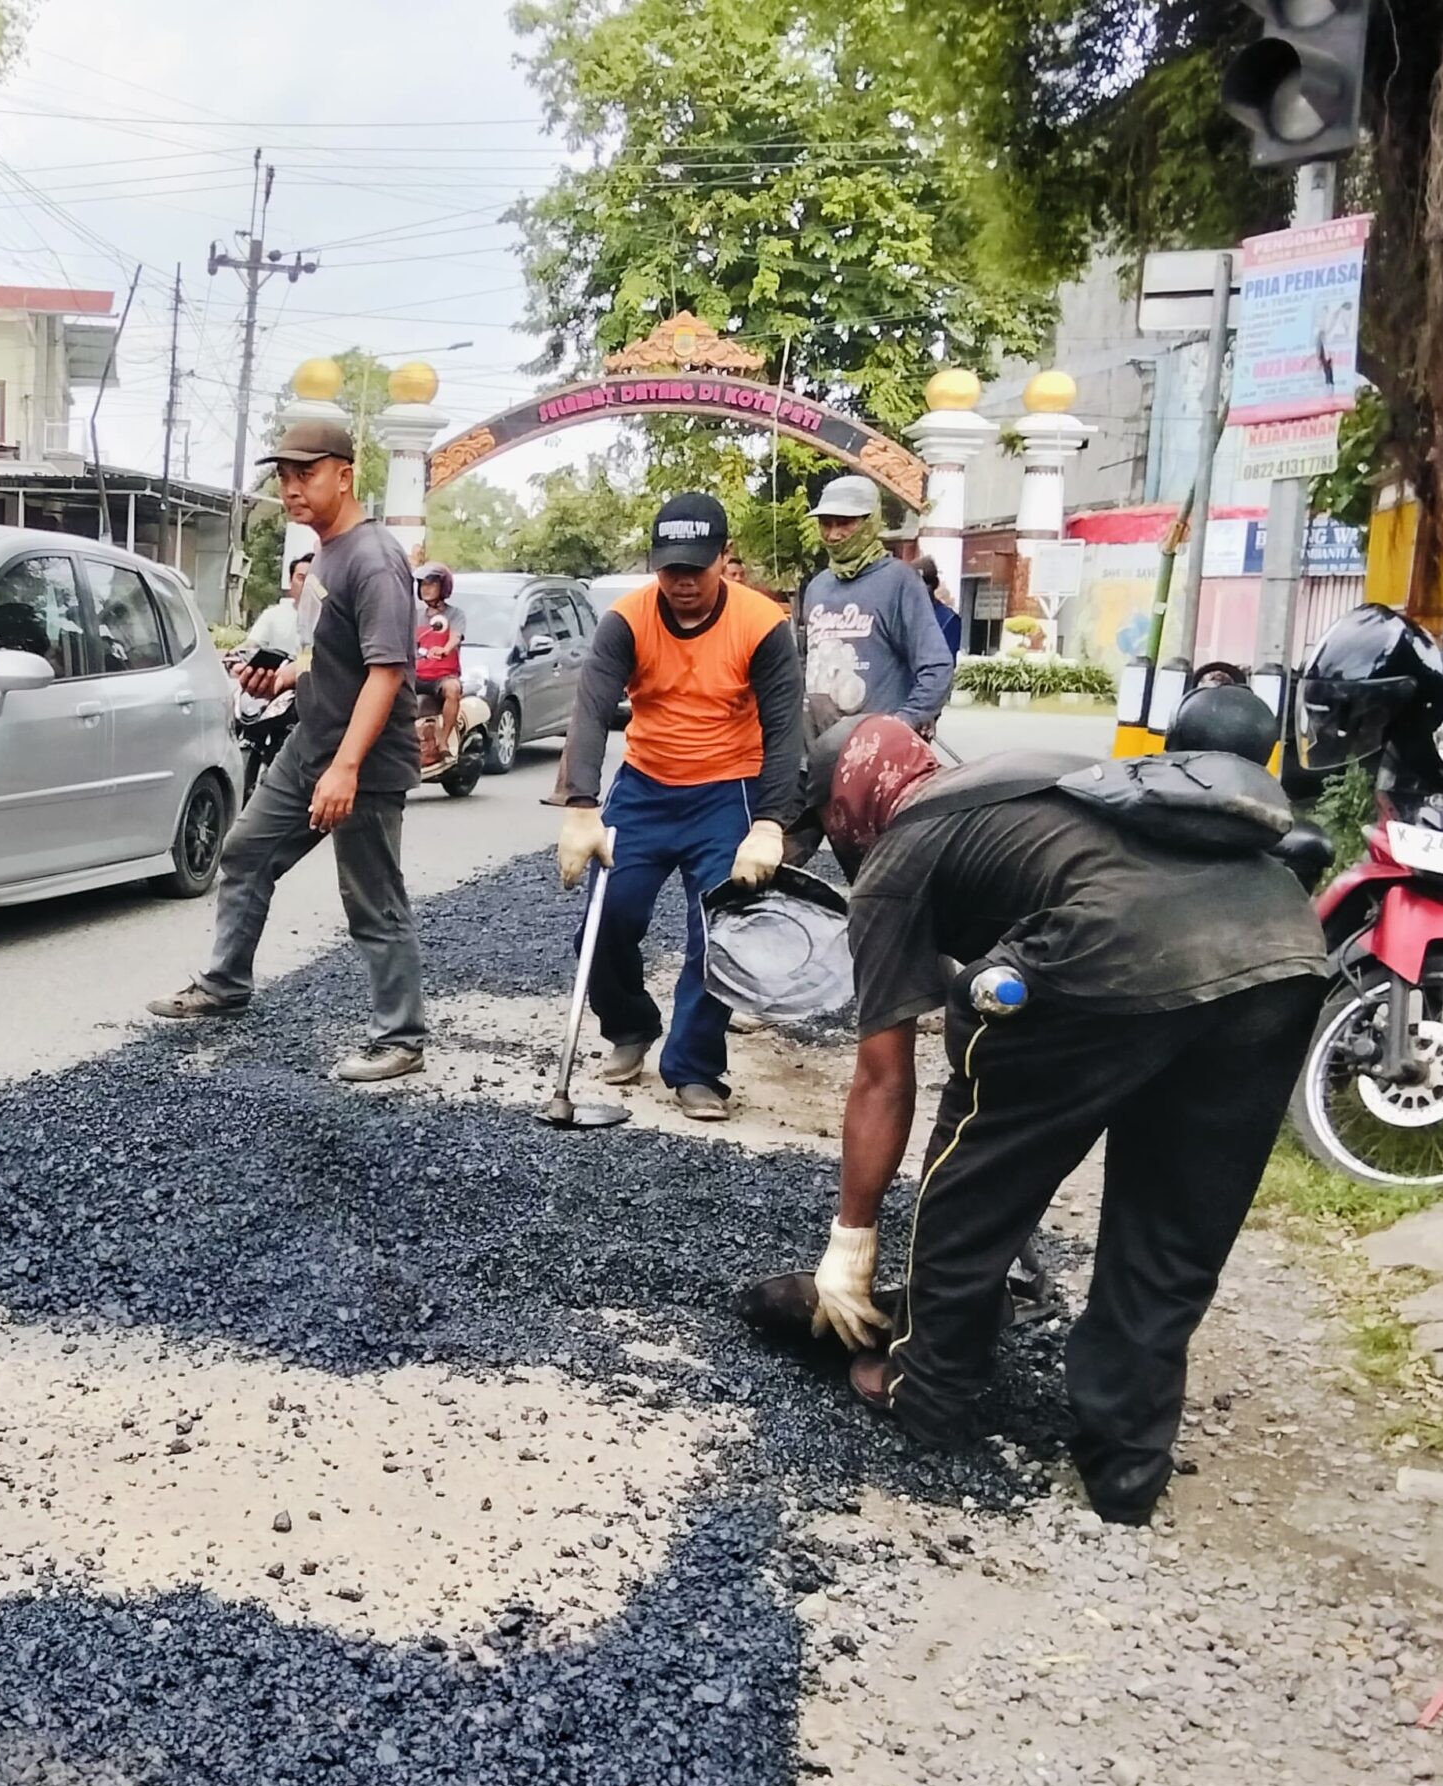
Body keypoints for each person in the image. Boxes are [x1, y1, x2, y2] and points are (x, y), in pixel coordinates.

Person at [800, 716, 1326, 1524]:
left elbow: (883, 1078)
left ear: (848, 808)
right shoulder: (1017, 780)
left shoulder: (899, 851)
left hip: (1114, 945)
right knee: (1174, 1219)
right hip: (1280, 949)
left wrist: (852, 1240)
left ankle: (928, 1387)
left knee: (976, 1170)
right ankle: (1126, 1466)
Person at [148, 419, 427, 1083]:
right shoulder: (326, 552)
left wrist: (347, 768)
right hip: (311, 742)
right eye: (284, 476)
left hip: (364, 758)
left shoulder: (374, 559)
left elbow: (386, 673)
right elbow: (330, 655)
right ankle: (226, 984)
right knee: (246, 852)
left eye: (306, 474)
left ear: (344, 475)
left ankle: (401, 1038)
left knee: (372, 896)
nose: (292, 488)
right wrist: (283, 679)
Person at [552, 492, 804, 1120]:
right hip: (645, 787)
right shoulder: (626, 620)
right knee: (607, 919)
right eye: (670, 569)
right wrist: (580, 805)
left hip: (728, 790)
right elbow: (591, 710)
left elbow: (784, 729)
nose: (683, 582)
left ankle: (695, 1067)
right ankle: (630, 1026)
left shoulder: (761, 623)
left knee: (717, 932)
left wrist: (769, 824)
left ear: (724, 557)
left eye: (696, 567)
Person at [800, 475, 952, 739]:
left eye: (844, 523)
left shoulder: (899, 581)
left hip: (878, 749)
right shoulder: (817, 587)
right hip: (820, 750)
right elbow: (803, 660)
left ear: (869, 522)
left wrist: (905, 722)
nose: (833, 534)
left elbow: (937, 666)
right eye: (826, 523)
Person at [414, 562, 466, 766]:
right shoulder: (414, 615)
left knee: (453, 689)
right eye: (422, 584)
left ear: (443, 587)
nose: (425, 588)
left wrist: (445, 649)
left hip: (442, 676)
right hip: (417, 673)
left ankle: (443, 743)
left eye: (431, 584)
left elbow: (456, 636)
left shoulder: (455, 615)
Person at [246, 552, 313, 662]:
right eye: (301, 578)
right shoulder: (272, 615)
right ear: (290, 581)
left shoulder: (331, 619)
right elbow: (251, 644)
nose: (306, 584)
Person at [913, 554, 963, 660]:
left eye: (924, 584)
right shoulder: (901, 616)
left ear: (935, 584)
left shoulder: (949, 620)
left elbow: (947, 662)